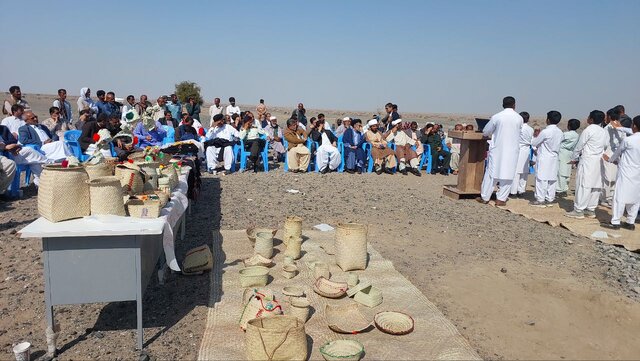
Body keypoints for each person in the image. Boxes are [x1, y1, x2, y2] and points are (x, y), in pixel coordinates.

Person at [477, 96, 523, 206]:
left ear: (503, 105)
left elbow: (486, 131)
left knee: (491, 174)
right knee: (508, 174)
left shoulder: (497, 117)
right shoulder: (519, 118)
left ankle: (485, 197)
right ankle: (501, 199)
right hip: (512, 151)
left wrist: (486, 135)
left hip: (498, 150)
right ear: (514, 105)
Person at [565, 110, 608, 219]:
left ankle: (579, 210)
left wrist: (574, 158)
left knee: (583, 184)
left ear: (591, 119)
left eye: (589, 116)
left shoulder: (588, 130)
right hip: (598, 161)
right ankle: (591, 209)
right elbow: (606, 146)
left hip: (588, 160)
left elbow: (579, 146)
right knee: (595, 185)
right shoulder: (604, 131)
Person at [601, 116, 640, 230]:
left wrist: (610, 159)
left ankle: (616, 221)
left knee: (619, 196)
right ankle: (630, 222)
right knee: (635, 197)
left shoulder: (629, 140)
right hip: (637, 173)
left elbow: (618, 152)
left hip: (626, 171)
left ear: (634, 126)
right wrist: (620, 128)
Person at [529, 111, 563, 207]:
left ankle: (540, 199)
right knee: (552, 179)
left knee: (541, 178)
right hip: (554, 157)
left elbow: (535, 143)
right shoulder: (560, 132)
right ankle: (550, 198)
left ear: (548, 119)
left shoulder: (545, 132)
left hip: (545, 157)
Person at [600, 108, 626, 208]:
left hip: (607, 154)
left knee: (606, 178)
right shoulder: (621, 128)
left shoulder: (607, 128)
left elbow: (605, 143)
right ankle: (611, 197)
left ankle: (605, 198)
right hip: (617, 155)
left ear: (609, 116)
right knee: (614, 177)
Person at [510, 112, 534, 197]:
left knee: (516, 172)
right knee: (524, 172)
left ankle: (513, 191)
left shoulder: (518, 128)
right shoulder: (531, 129)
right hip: (526, 151)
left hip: (518, 149)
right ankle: (521, 190)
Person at [556, 118, 581, 196]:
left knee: (561, 171)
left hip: (562, 152)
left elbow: (558, 140)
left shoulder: (566, 134)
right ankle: (565, 188)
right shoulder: (577, 135)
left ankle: (560, 189)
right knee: (567, 171)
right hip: (570, 153)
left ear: (569, 126)